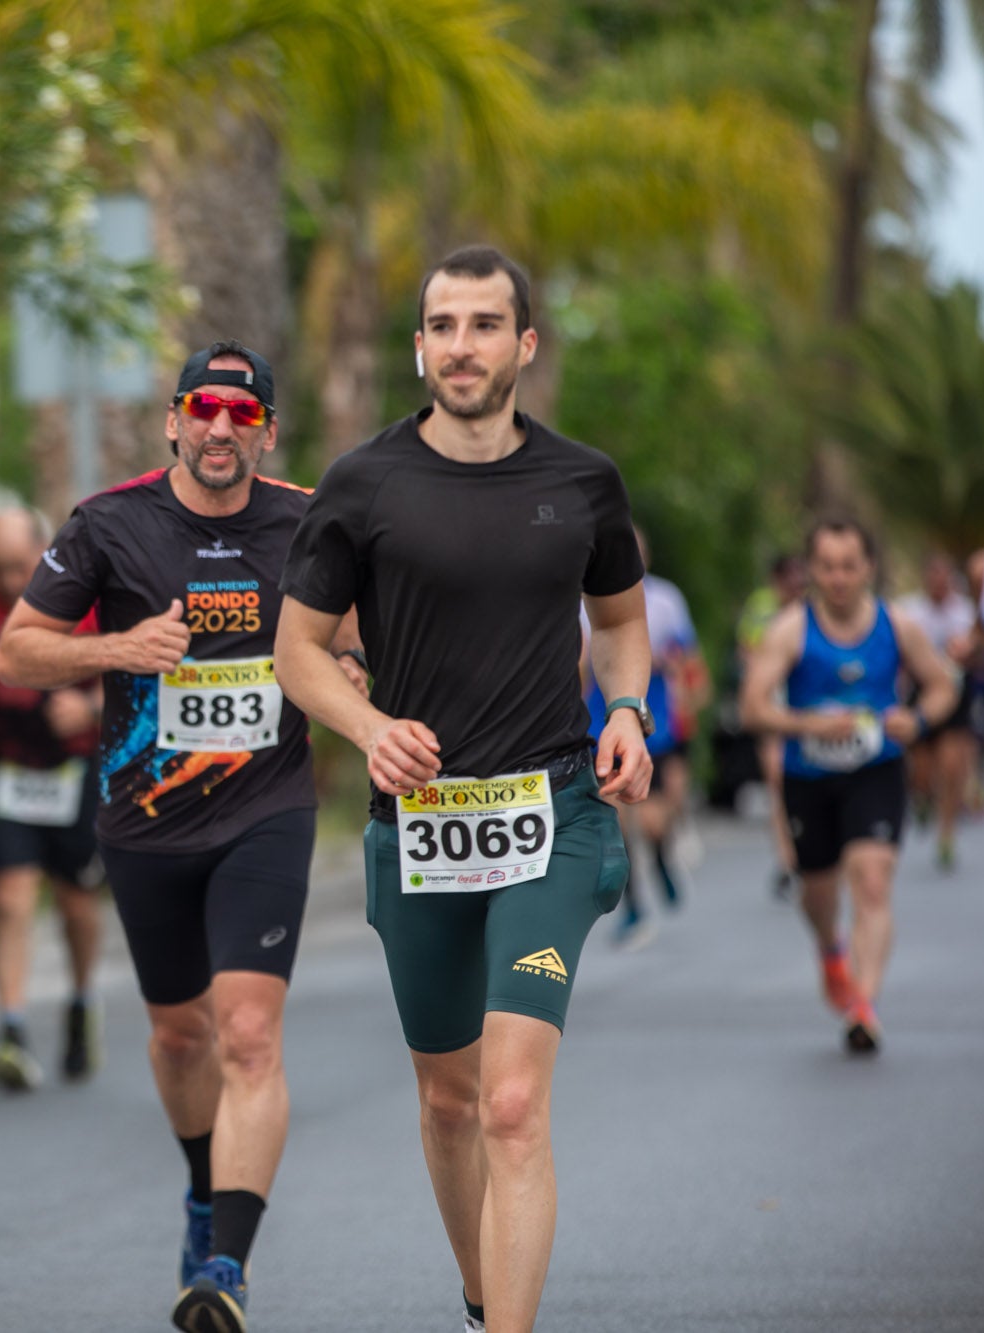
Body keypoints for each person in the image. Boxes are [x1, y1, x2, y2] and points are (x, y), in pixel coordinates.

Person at [276, 246, 650, 1333]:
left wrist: (627, 709)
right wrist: (369, 728)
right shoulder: (363, 484)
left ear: (523, 344)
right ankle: (484, 1299)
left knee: (510, 1100)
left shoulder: (582, 482)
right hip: (422, 827)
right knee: (448, 1100)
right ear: (417, 347)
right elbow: (296, 651)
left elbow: (620, 623)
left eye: (484, 325)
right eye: (442, 326)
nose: (461, 346)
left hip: (550, 815)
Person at [0, 341, 332, 1333]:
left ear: (267, 431)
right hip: (146, 821)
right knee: (181, 1033)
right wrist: (117, 647)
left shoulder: (310, 521)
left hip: (267, 808)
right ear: (174, 421)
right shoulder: (109, 523)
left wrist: (352, 667)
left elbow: (359, 631)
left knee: (247, 1033)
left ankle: (224, 1263)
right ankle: (201, 1187)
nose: (221, 428)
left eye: (242, 413)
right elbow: (17, 651)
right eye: (204, 409)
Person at [740, 518, 957, 1053]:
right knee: (818, 894)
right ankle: (830, 950)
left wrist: (917, 720)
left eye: (848, 566)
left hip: (875, 770)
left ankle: (864, 1005)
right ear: (812, 570)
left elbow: (942, 686)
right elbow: (753, 707)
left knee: (873, 881)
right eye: (827, 567)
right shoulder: (791, 629)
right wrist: (807, 724)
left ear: (868, 568)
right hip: (808, 777)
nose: (838, 578)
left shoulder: (897, 625)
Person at [0, 507, 106, 1090]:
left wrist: (90, 707)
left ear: (45, 549)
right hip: (5, 765)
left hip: (76, 764)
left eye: (20, 566)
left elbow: (141, 666)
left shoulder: (91, 597)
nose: (11, 581)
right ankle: (11, 1029)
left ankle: (81, 1000)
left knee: (76, 904)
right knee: (9, 901)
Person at [582, 528, 708, 946]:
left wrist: (688, 699)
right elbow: (577, 664)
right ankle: (633, 905)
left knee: (654, 819)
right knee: (616, 818)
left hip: (654, 719)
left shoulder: (666, 599)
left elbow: (687, 659)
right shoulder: (583, 600)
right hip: (601, 719)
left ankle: (661, 856)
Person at [893, 553, 981, 871]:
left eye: (944, 578)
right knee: (922, 770)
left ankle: (946, 835)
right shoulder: (910, 612)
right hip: (922, 692)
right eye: (933, 577)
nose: (938, 584)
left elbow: (979, 651)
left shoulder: (967, 613)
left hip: (957, 692)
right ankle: (922, 798)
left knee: (953, 766)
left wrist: (969, 652)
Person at [738, 554, 807, 898]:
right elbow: (748, 652)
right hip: (774, 706)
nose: (794, 588)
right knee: (778, 782)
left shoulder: (816, 608)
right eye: (788, 581)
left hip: (809, 709)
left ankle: (811, 849)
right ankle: (787, 860)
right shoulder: (761, 607)